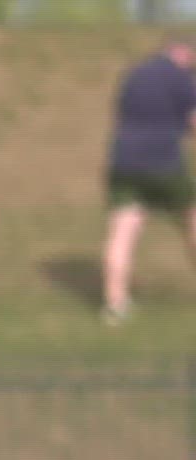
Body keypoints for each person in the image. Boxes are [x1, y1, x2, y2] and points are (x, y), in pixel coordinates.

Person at [102, 38, 196, 325]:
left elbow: (123, 115)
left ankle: (115, 306)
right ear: (183, 53)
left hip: (123, 161)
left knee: (122, 231)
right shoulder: (181, 79)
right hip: (163, 161)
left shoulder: (133, 74)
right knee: (192, 218)